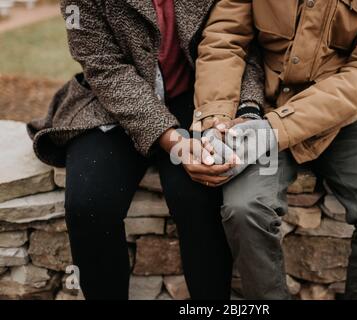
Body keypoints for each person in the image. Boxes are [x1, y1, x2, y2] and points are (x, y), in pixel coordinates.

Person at [27, 0, 266, 300]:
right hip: (112, 102)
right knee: (89, 205)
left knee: (199, 196)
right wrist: (172, 140)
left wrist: (245, 109)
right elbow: (104, 67)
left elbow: (242, 43)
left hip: (202, 96)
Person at [194, 0, 357, 299]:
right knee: (245, 209)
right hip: (263, 113)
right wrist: (217, 119)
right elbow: (225, 39)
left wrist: (275, 130)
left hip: (343, 121)